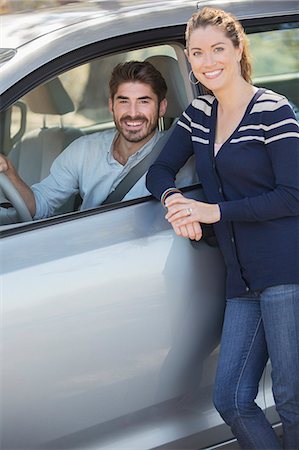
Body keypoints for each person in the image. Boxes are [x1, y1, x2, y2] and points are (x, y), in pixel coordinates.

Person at [146, 6, 299, 450]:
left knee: (291, 399)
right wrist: (176, 202)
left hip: (286, 272)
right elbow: (160, 171)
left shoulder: (274, 111)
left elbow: (293, 196)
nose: (207, 61)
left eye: (217, 49)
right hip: (241, 280)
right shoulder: (199, 112)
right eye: (196, 53)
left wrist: (212, 211)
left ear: (237, 50)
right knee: (231, 397)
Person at [0, 61, 168, 219]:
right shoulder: (84, 150)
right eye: (123, 101)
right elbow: (39, 206)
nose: (132, 112)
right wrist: (10, 172)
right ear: (111, 105)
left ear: (161, 107)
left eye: (143, 101)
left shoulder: (176, 159)